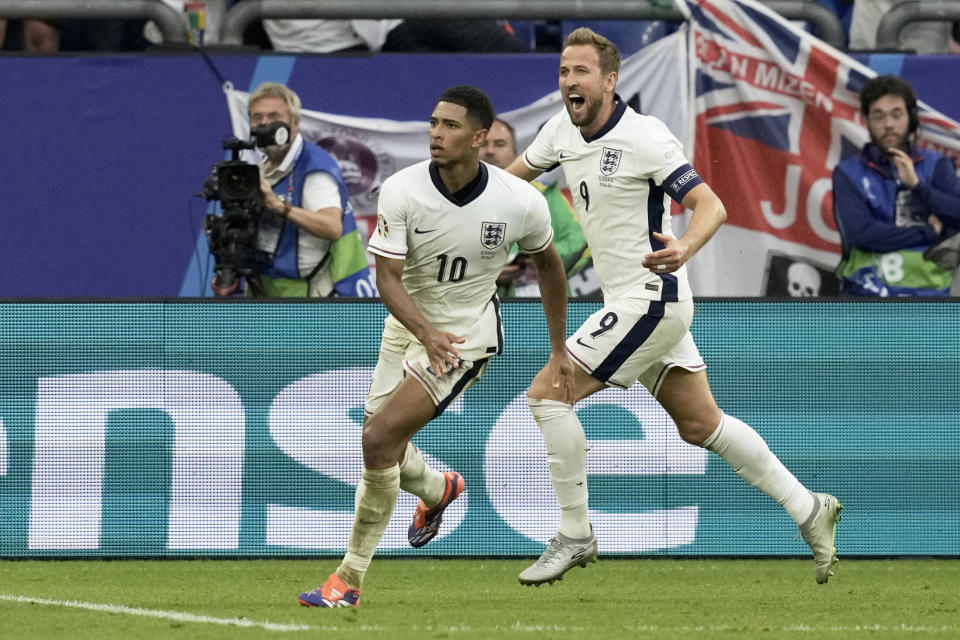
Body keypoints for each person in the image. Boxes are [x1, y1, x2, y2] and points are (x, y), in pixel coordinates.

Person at [504, 27, 842, 586]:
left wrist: (683, 245)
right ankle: (811, 509)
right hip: (634, 304)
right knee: (701, 424)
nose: (569, 82)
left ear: (610, 81)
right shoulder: (561, 129)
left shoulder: (645, 136)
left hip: (652, 299)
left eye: (581, 72)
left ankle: (575, 533)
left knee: (547, 396)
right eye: (564, 72)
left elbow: (711, 205)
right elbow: (512, 183)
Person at [296, 85, 572, 608]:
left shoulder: (519, 201)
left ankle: (348, 580)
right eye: (433, 123)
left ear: (480, 137)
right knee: (381, 443)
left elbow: (549, 265)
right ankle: (438, 489)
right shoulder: (402, 189)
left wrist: (558, 348)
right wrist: (423, 331)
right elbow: (388, 278)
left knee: (377, 440)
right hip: (409, 327)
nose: (436, 133)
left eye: (449, 126)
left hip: (466, 336)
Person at [234, 82, 371, 297]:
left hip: (311, 297)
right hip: (272, 289)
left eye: (274, 117)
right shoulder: (265, 164)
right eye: (257, 118)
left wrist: (281, 207)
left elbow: (332, 226)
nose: (265, 124)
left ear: (295, 123)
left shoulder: (314, 168)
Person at [833, 75, 960, 296]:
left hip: (930, 302)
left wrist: (918, 187)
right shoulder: (848, 172)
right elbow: (860, 235)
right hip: (865, 299)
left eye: (896, 114)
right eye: (878, 116)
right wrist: (929, 232)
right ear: (867, 121)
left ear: (911, 117)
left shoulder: (937, 165)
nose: (888, 124)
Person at [481, 117, 588, 296]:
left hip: (547, 312)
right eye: (484, 144)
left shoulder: (546, 196)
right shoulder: (461, 201)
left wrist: (544, 258)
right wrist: (487, 275)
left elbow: (580, 244)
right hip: (486, 314)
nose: (490, 151)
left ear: (515, 153)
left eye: (499, 144)